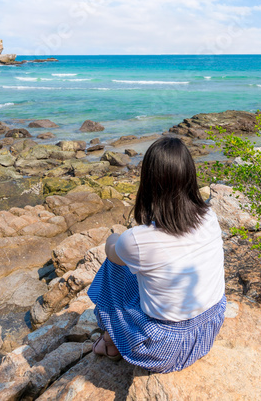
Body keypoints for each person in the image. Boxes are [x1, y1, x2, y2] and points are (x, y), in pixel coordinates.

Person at [87, 135, 226, 373]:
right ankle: (111, 340)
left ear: (149, 181)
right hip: (208, 329)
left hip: (163, 347)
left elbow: (112, 250)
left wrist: (116, 239)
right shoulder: (210, 217)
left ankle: (111, 342)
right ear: (189, 177)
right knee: (138, 268)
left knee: (115, 266)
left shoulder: (138, 239)